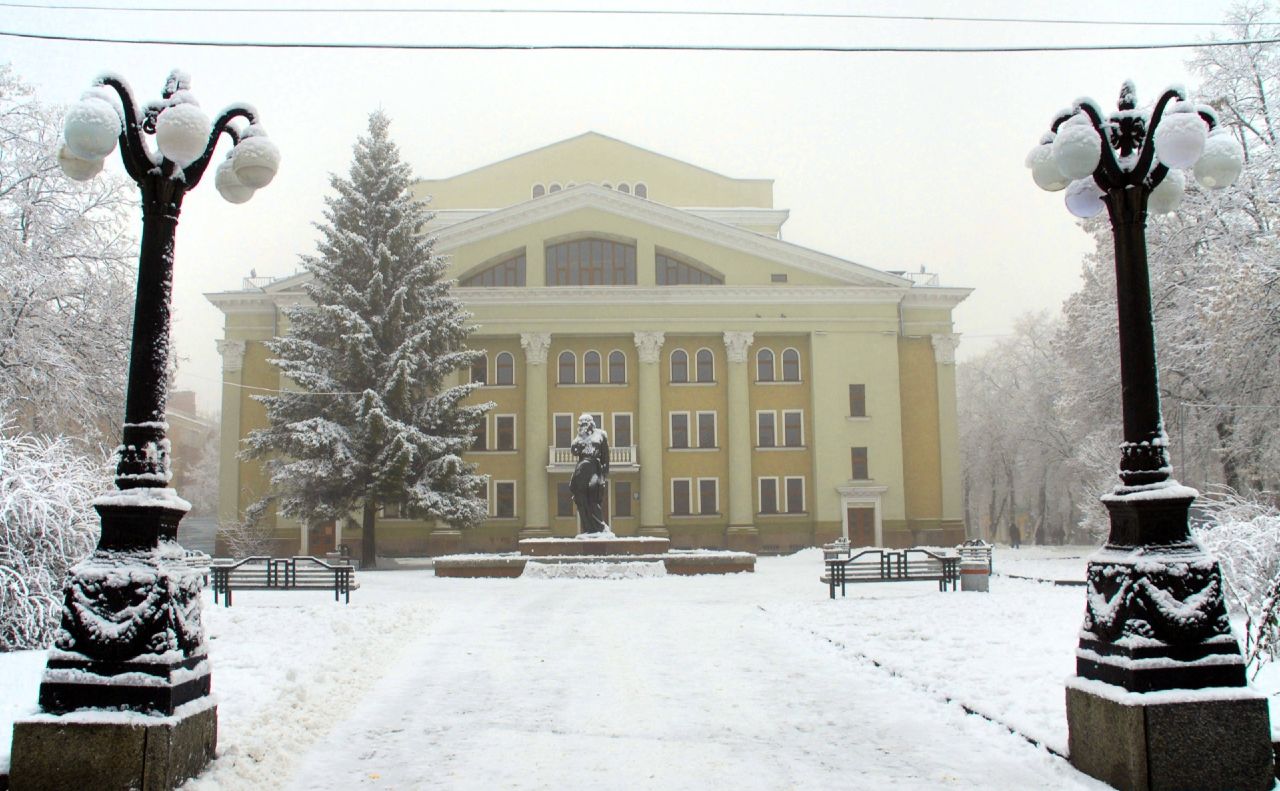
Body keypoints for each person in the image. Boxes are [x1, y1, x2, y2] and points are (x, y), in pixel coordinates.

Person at [569, 413, 611, 535]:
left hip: (594, 468)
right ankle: (588, 527)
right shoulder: (579, 437)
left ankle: (600, 526)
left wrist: (604, 473)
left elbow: (605, 455)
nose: (583, 426)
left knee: (594, 494)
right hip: (581, 470)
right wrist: (580, 437)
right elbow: (574, 451)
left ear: (590, 423)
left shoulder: (601, 434)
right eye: (581, 424)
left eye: (585, 423)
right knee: (580, 498)